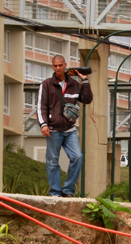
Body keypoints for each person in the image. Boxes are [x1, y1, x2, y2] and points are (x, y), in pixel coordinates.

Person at [37, 55, 93, 197]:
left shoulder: (74, 84)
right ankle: (55, 193)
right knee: (52, 162)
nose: (58, 68)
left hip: (69, 130)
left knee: (78, 157)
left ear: (65, 65)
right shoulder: (46, 84)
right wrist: (43, 124)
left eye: (60, 65)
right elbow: (41, 106)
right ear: (52, 66)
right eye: (55, 66)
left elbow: (87, 99)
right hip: (53, 130)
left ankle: (68, 191)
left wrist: (84, 79)